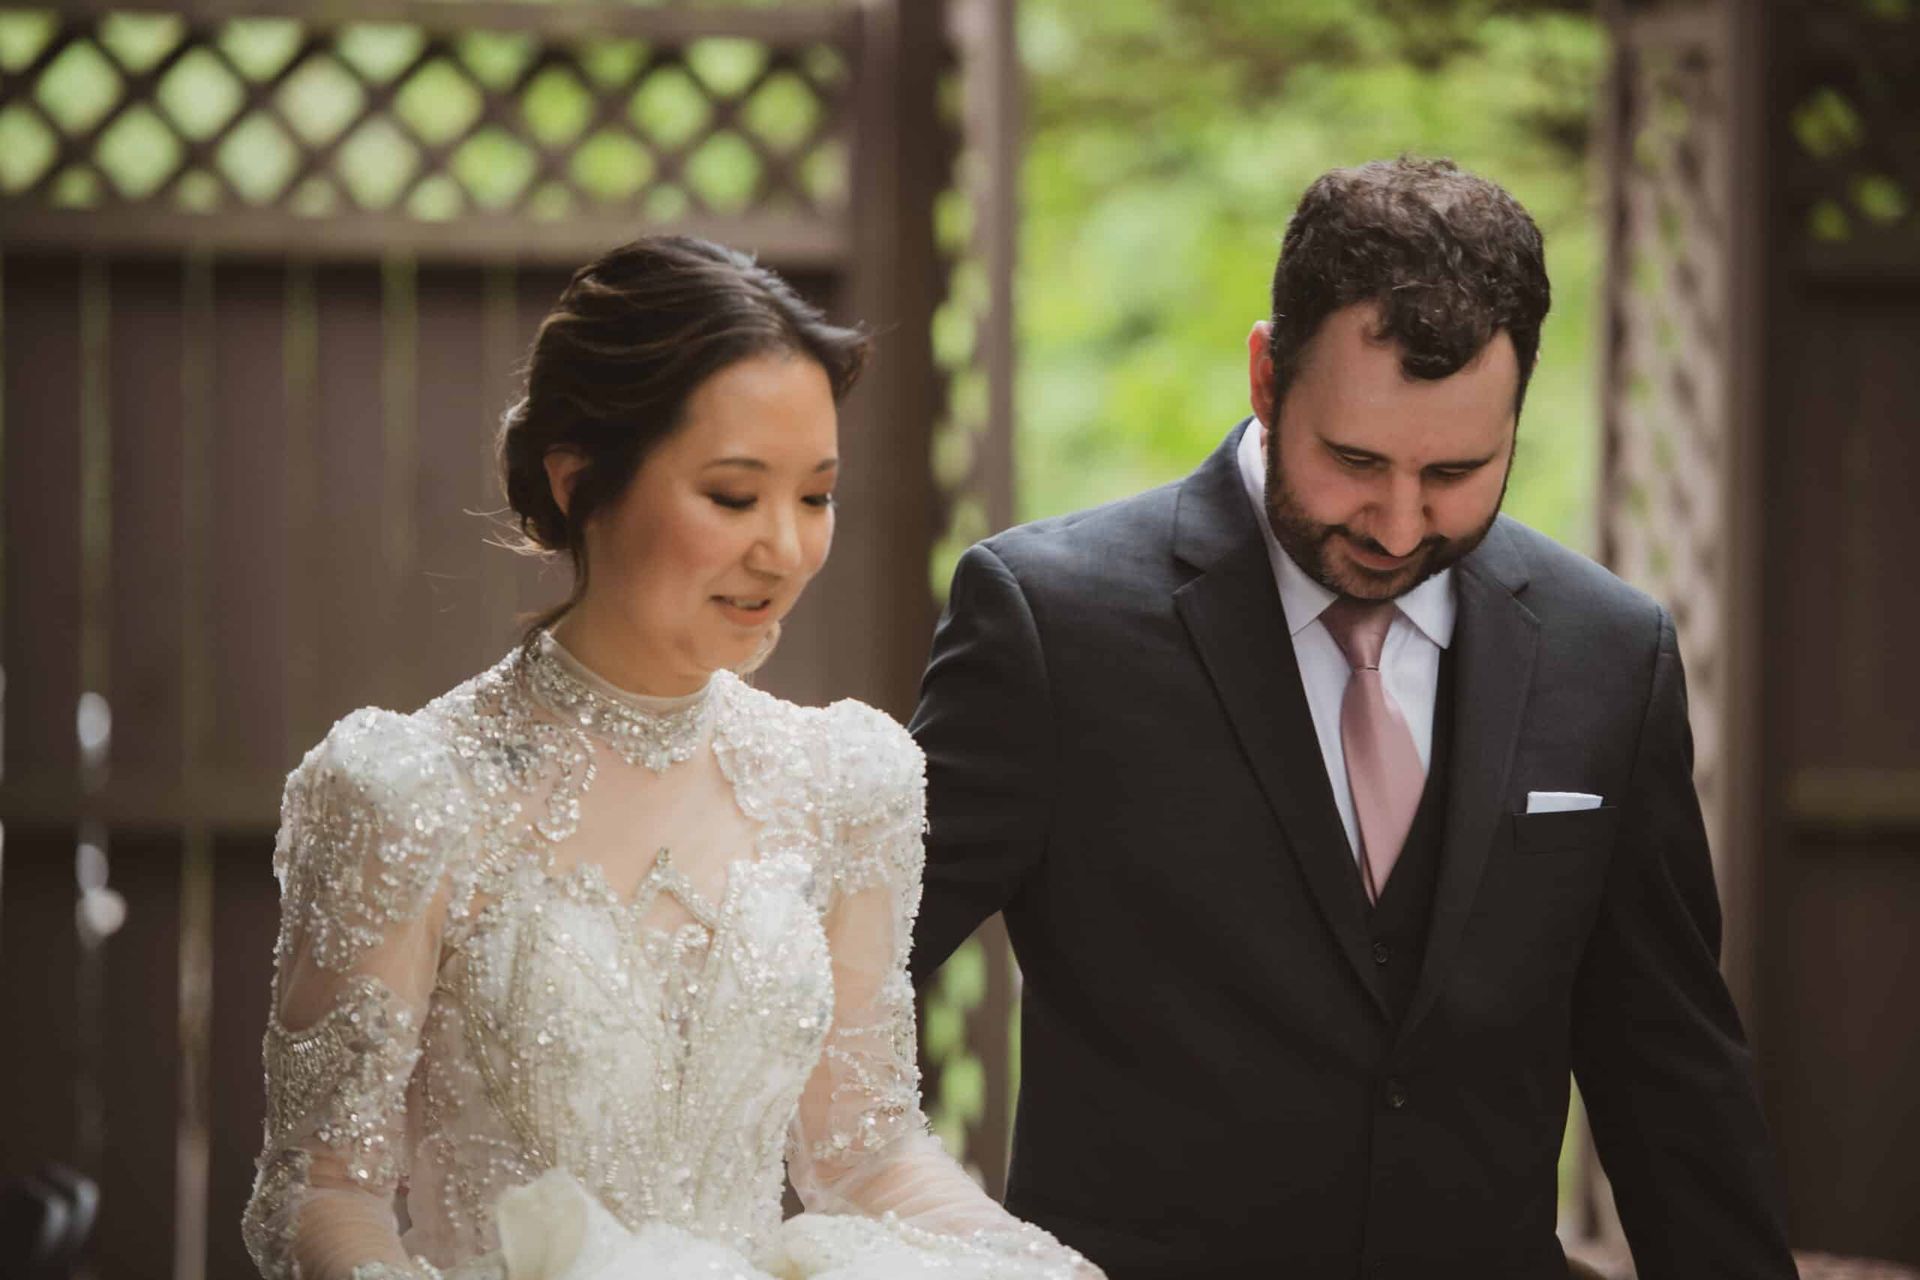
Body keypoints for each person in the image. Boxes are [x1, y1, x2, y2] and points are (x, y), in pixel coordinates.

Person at [909, 158, 1797, 1279]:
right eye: (1355, 459)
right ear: (1268, 377)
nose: (1397, 521)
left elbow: (1671, 1072)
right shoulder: (1048, 624)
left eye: (1458, 470)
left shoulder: (1610, 651)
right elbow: (844, 974)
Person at [243, 236, 1100, 1280]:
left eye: (816, 495)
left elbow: (869, 1155)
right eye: (735, 496)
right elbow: (323, 1187)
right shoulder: (406, 792)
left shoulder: (846, 781)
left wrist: (1040, 1264)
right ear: (576, 481)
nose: (784, 548)